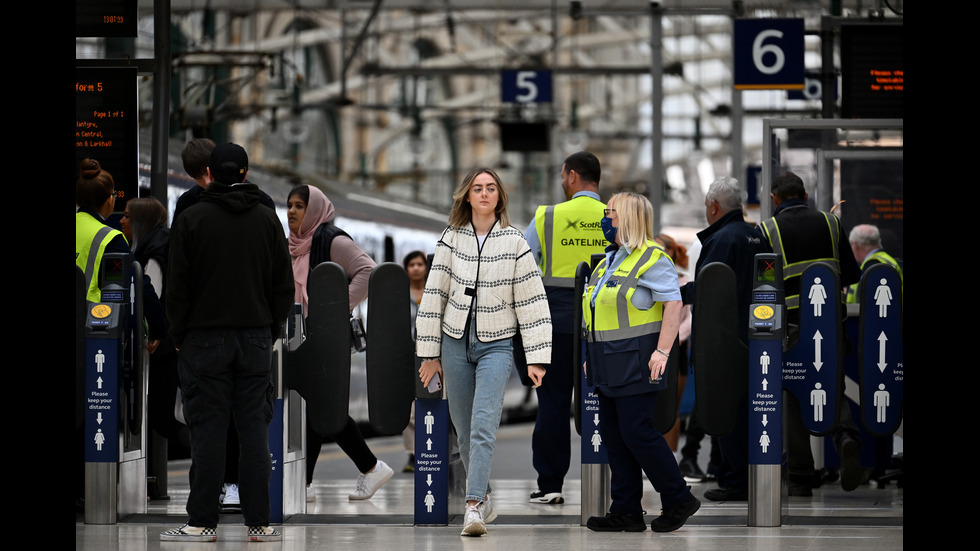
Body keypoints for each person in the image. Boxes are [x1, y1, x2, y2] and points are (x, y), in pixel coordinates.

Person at [162, 142, 293, 542]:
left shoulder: (192, 218)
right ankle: (260, 523)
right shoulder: (268, 219)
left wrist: (180, 335)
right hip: (255, 338)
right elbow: (283, 286)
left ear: (208, 173)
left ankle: (202, 523)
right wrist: (269, 331)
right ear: (245, 173)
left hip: (203, 340)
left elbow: (177, 286)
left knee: (208, 432)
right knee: (253, 431)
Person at [415, 167, 552, 537]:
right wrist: (429, 354)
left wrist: (537, 358)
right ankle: (485, 494)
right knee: (463, 430)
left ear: (499, 196)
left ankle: (473, 506)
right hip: (454, 342)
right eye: (477, 188)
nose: (485, 193)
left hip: (497, 344)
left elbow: (533, 302)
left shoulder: (515, 241)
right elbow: (434, 295)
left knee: (483, 425)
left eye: (491, 188)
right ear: (468, 196)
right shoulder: (451, 238)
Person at [582, 192, 700, 533]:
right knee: (615, 436)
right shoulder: (608, 260)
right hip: (606, 362)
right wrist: (591, 356)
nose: (604, 219)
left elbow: (673, 304)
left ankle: (678, 497)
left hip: (637, 360)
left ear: (628, 216)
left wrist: (662, 351)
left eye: (610, 213)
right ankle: (626, 510)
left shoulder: (653, 258)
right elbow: (597, 313)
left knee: (637, 431)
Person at [286, 184, 394, 503]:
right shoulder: (294, 244)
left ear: (314, 210)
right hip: (301, 336)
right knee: (319, 405)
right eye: (290, 205)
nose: (291, 211)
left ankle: (366, 468)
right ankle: (315, 480)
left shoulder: (331, 240)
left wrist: (331, 310)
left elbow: (368, 271)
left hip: (326, 337)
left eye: (299, 206)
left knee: (322, 405)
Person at [757, 171, 863, 496]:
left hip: (791, 327)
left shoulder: (768, 230)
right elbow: (852, 273)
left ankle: (801, 476)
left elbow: (765, 284)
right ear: (804, 195)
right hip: (830, 323)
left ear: (774, 199)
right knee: (832, 383)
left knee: (793, 393)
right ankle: (845, 437)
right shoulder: (831, 223)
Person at [75, 159, 166, 509]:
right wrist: (155, 327)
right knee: (89, 413)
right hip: (91, 337)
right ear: (109, 200)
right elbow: (126, 291)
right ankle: (84, 490)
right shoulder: (109, 238)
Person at [523, 151, 607, 505]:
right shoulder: (616, 216)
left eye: (562, 176)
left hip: (554, 326)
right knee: (606, 404)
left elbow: (525, 269)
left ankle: (551, 485)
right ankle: (606, 479)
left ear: (572, 176)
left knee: (552, 405)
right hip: (605, 329)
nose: (562, 182)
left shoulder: (547, 217)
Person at [681, 177, 770, 502]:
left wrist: (675, 293)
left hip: (723, 341)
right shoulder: (757, 236)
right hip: (756, 338)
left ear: (714, 206)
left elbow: (708, 288)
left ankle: (736, 480)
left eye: (707, 206)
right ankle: (743, 475)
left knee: (726, 412)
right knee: (747, 412)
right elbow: (767, 284)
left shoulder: (721, 239)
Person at [121, 198, 192, 490]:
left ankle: (211, 453)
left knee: (161, 417)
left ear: (141, 222)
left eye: (127, 216)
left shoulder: (153, 253)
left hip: (164, 347)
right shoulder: (165, 244)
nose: (121, 221)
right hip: (178, 342)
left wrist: (149, 333)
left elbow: (151, 298)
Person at [653, 233, 690, 453]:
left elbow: (689, 319)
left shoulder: (683, 281)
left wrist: (673, 339)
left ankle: (671, 457)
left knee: (670, 409)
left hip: (676, 352)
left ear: (671, 252)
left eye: (661, 249)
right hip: (650, 351)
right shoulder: (646, 277)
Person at [401, 250, 430, 473]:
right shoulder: (400, 294)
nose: (416, 268)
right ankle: (412, 453)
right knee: (409, 406)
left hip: (431, 354)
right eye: (412, 265)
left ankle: (432, 449)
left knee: (430, 402)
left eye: (420, 264)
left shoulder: (433, 291)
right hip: (407, 354)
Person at [846, 224, 902, 302]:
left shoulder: (873, 266)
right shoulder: (885, 259)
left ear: (855, 245)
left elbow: (868, 300)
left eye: (851, 244)